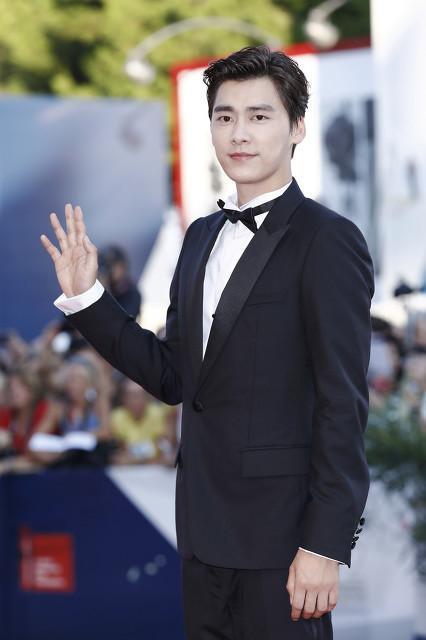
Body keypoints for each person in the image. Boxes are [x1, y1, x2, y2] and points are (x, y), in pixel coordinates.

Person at [41, 45, 375, 639]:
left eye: (259, 116)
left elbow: (342, 404)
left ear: (297, 127)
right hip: (202, 534)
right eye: (225, 117)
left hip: (282, 542)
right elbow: (174, 377)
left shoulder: (328, 239)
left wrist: (325, 545)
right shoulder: (198, 238)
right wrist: (88, 299)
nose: (239, 133)